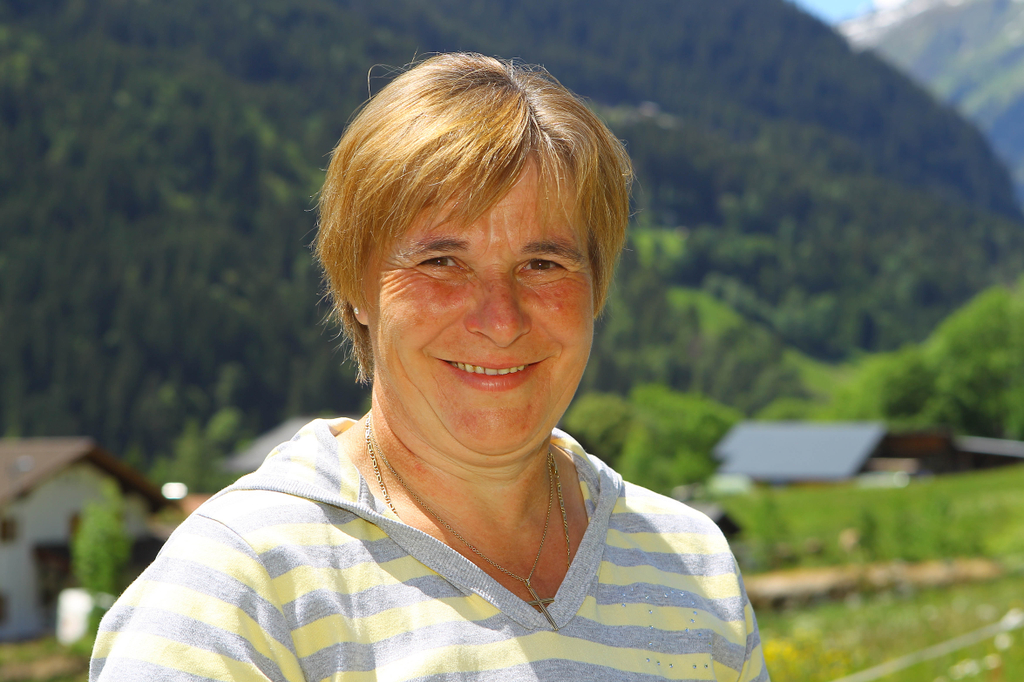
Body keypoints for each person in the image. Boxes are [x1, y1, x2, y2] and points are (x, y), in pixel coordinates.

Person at [91, 53, 769, 681]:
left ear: (598, 287)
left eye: (543, 264)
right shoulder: (236, 587)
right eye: (442, 262)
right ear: (355, 285)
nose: (500, 319)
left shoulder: (691, 565)